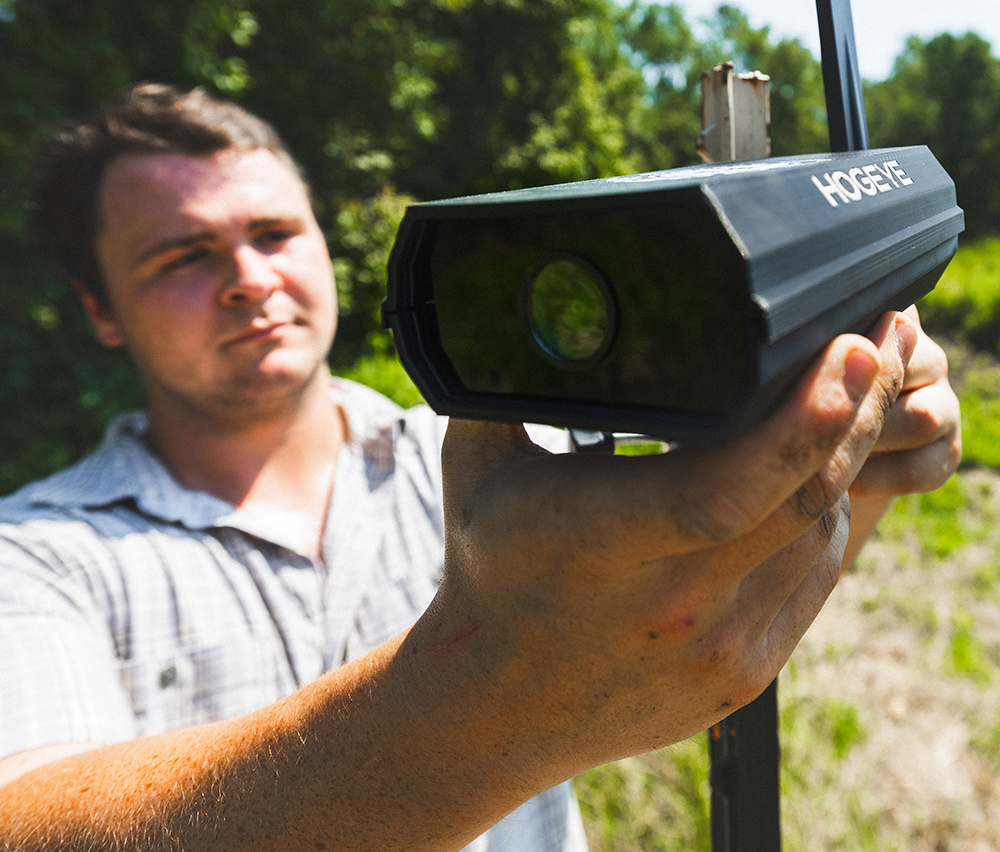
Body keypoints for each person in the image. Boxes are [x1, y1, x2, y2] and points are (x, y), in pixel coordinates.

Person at [0, 83, 960, 851]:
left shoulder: (504, 460)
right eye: (183, 256)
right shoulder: (37, 555)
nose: (249, 278)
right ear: (100, 309)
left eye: (275, 233)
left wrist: (849, 470)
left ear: (323, 242)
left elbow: (711, 607)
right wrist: (491, 694)